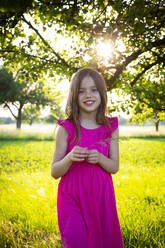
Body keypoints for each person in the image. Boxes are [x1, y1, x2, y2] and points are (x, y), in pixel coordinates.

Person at [51, 68, 123, 248]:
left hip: (101, 196)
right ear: (74, 95)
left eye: (93, 89)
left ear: (101, 93)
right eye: (81, 91)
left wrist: (99, 157)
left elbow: (114, 167)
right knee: (77, 241)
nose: (88, 95)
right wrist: (69, 158)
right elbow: (54, 171)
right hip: (72, 197)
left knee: (103, 241)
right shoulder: (65, 128)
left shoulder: (110, 126)